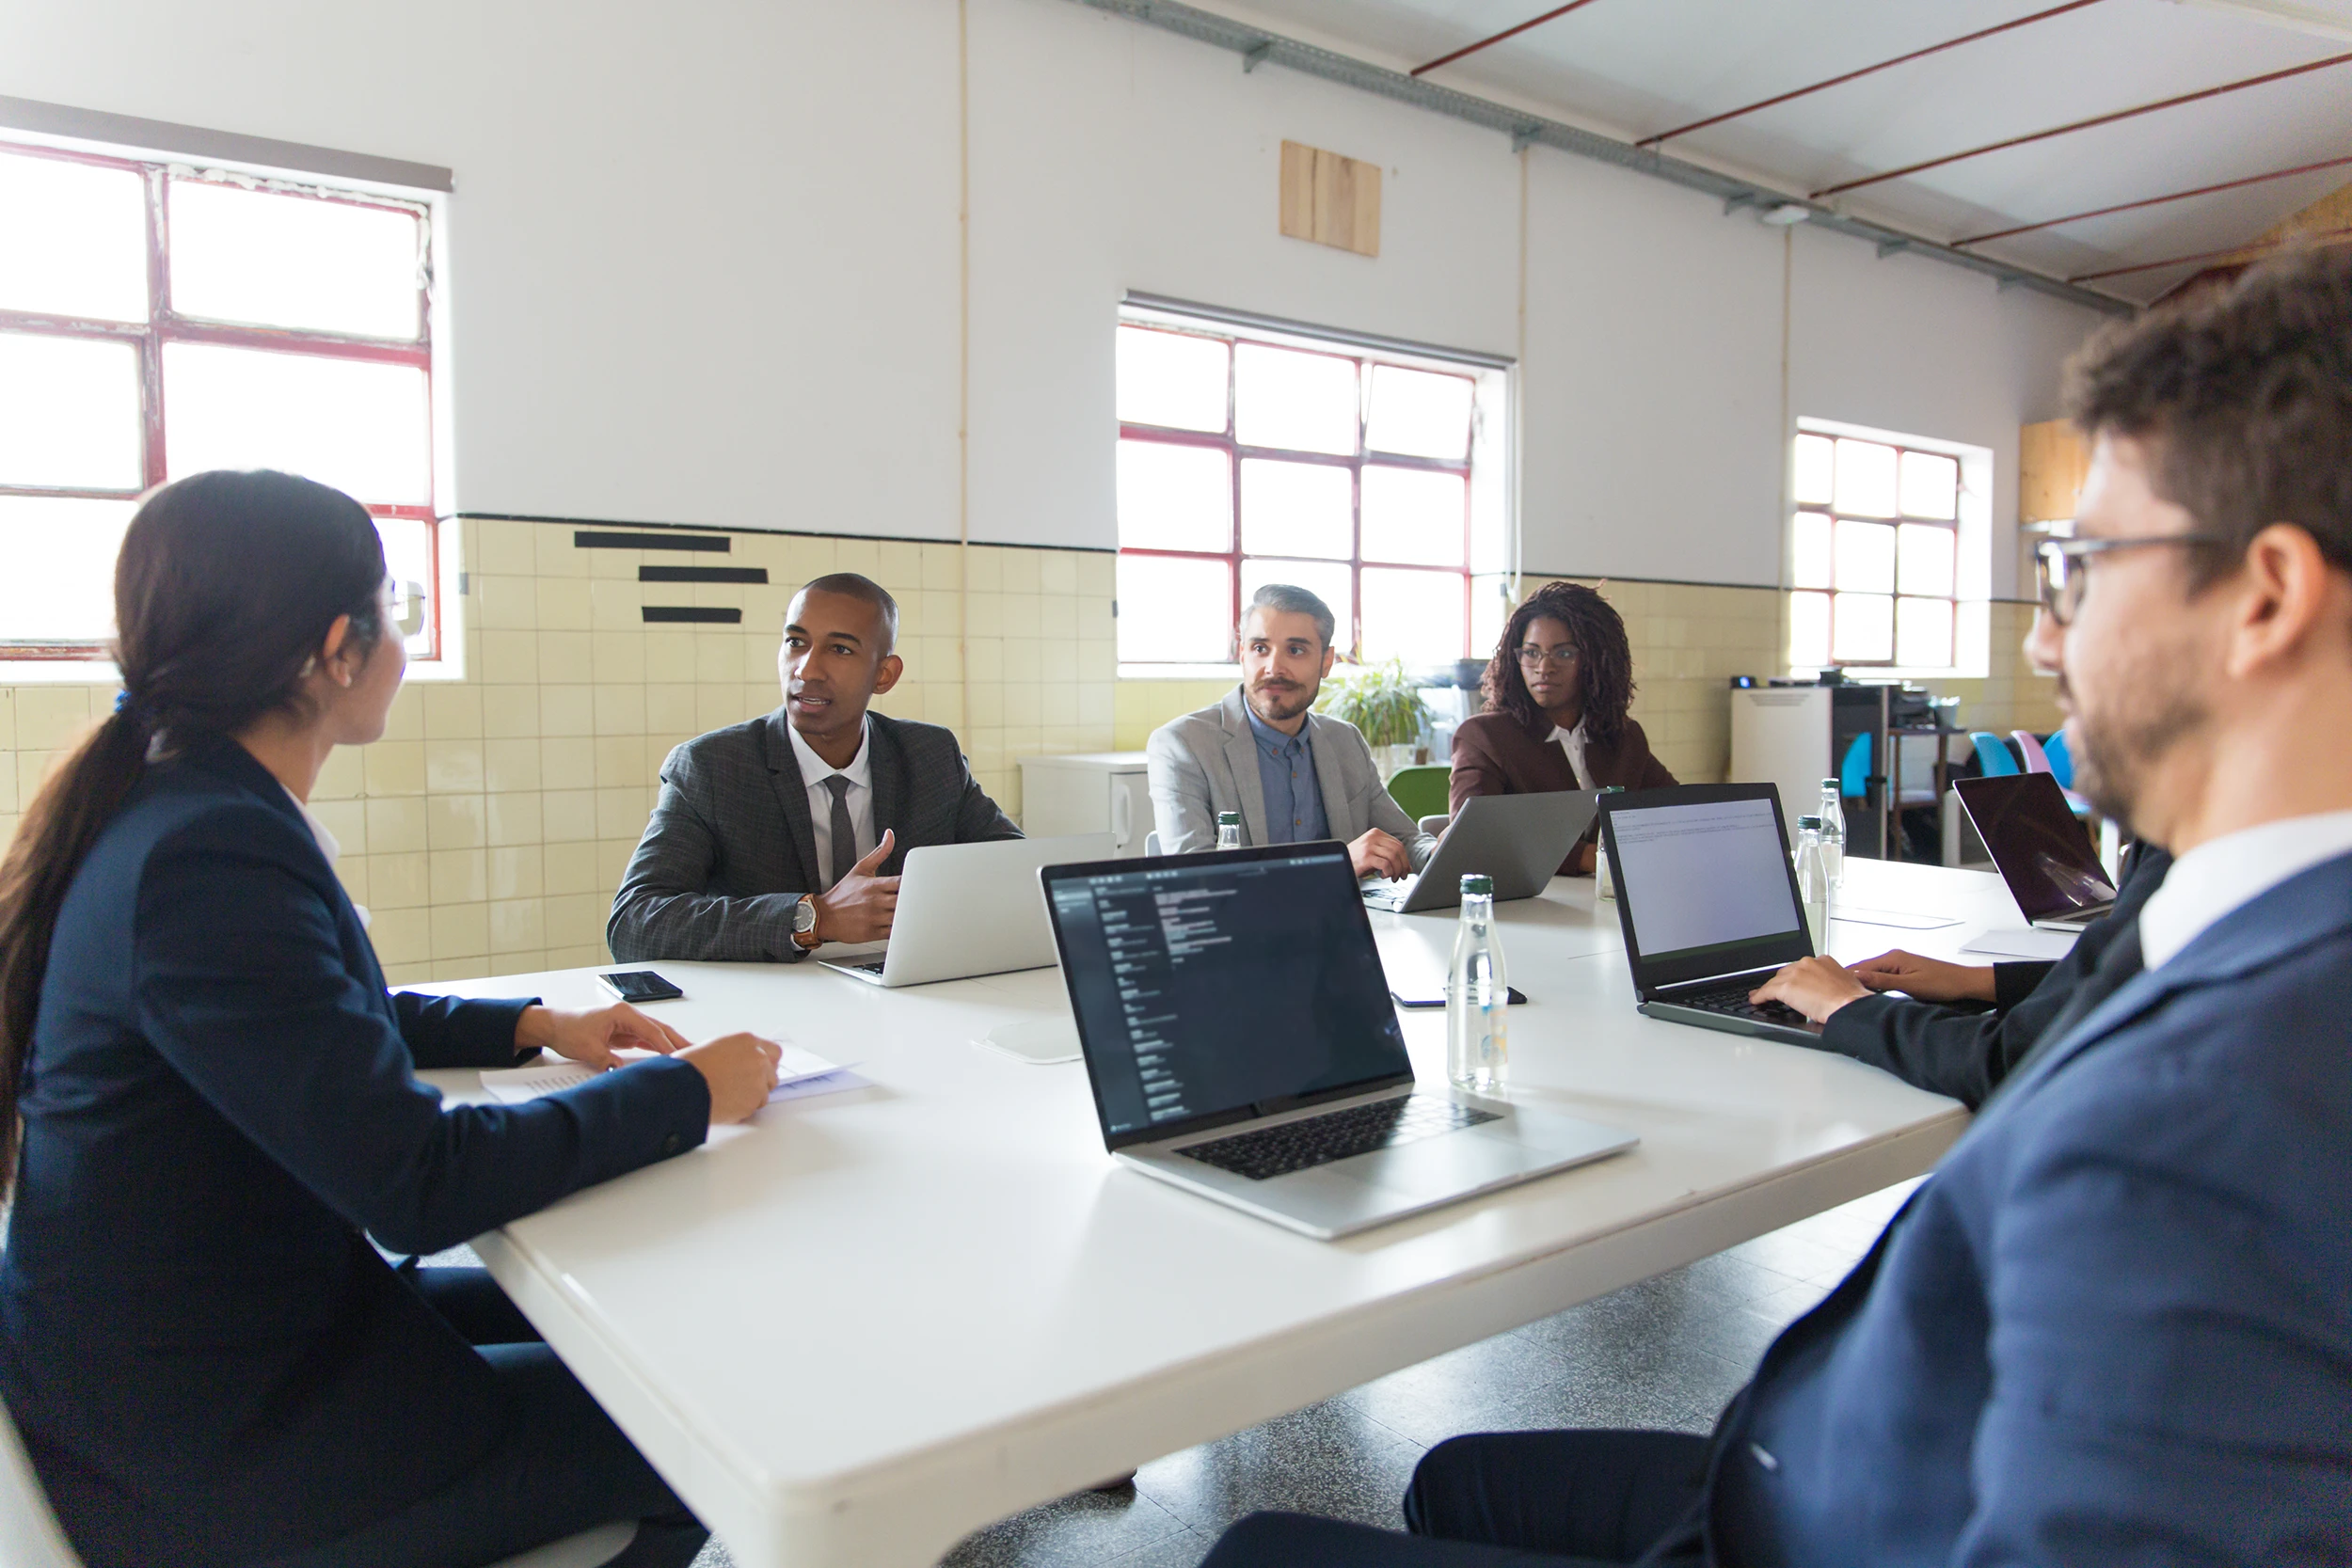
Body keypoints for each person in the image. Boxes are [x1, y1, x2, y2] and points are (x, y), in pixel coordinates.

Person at [1196, 247, 2352, 1566]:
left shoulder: (2215, 1118)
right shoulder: (2234, 935)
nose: (2041, 640)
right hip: (1828, 1474)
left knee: (1255, 1552)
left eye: (2077, 566)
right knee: (1462, 1474)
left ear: (2265, 596)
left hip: (1836, 1517)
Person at [0, 471, 784, 1568]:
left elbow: (300, 1024)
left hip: (223, 1347)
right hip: (215, 1444)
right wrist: (686, 1090)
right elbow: (421, 1182)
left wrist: (532, 1025)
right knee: (713, 1423)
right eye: (393, 613)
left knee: (637, 1340)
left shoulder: (173, 804)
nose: (403, 646)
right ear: (336, 647)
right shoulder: (205, 853)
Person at [608, 572, 1020, 962]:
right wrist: (815, 917)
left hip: (907, 994)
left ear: (884, 675)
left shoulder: (930, 755)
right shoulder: (711, 768)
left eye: (840, 649)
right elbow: (635, 922)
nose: (806, 670)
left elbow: (1023, 872)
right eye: (795, 642)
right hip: (767, 1012)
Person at [1749, 841, 2171, 1108]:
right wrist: (1975, 982)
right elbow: (2116, 975)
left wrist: (1849, 1007)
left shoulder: (2175, 862)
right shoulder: (2174, 851)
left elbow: (2010, 1061)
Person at [1146, 583, 1436, 878]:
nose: (1274, 667)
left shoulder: (1345, 740)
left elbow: (1404, 840)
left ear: (1325, 661)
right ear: (1243, 654)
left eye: (1295, 650)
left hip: (1348, 919)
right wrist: (1335, 863)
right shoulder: (1182, 745)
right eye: (1260, 648)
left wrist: (1442, 850)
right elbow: (1195, 875)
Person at [1451, 580, 1676, 875]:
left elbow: (1674, 812)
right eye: (1531, 653)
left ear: (1596, 661)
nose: (1544, 667)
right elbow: (1474, 838)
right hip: (1528, 910)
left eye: (1564, 653)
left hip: (1606, 904)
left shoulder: (1623, 737)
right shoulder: (1485, 737)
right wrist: (1594, 858)